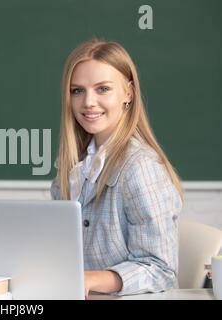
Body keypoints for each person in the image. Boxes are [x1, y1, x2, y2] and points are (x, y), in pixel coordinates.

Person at [50, 38, 183, 297]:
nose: (88, 102)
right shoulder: (73, 166)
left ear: (129, 93)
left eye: (103, 89)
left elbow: (161, 269)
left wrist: (91, 279)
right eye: (77, 90)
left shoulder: (141, 167)